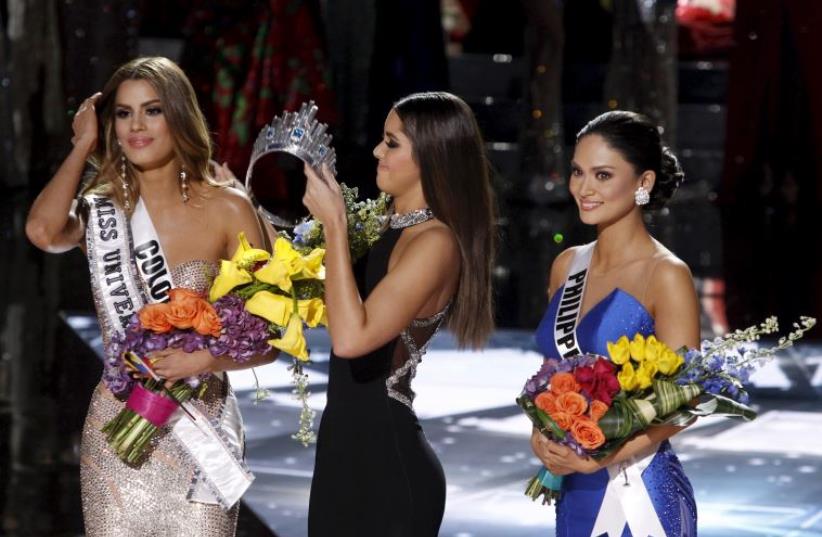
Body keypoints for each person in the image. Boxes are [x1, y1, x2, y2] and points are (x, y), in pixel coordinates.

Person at [25, 57, 275, 536]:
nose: (136, 125)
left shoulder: (227, 207)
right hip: (118, 427)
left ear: (178, 116)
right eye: (123, 113)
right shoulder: (103, 210)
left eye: (152, 110)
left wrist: (203, 360)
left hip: (202, 429)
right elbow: (42, 230)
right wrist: (82, 148)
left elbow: (267, 335)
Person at [301, 91, 496, 537]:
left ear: (431, 155)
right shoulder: (384, 225)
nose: (376, 152)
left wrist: (334, 226)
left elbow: (352, 340)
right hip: (342, 455)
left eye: (392, 143)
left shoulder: (434, 243)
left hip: (386, 466)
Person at [530, 111, 699, 536]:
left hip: (639, 489)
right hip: (575, 487)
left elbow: (686, 401)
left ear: (642, 183)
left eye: (602, 175)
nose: (584, 189)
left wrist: (602, 456)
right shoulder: (567, 265)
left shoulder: (666, 274)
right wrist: (542, 428)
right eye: (577, 172)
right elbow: (554, 372)